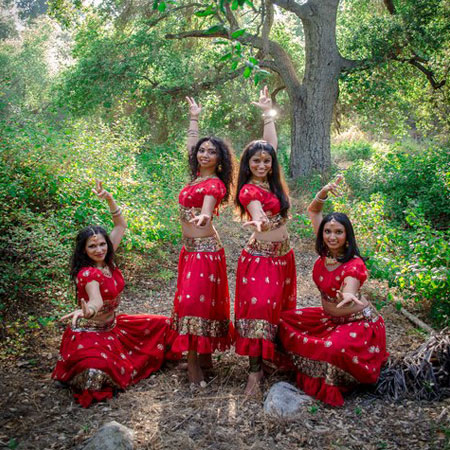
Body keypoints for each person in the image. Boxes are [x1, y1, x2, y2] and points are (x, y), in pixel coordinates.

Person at [52, 181, 178, 407]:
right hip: (90, 334)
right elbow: (96, 301)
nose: (99, 249)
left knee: (163, 324)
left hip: (114, 327)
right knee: (94, 374)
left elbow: (120, 225)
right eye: (92, 247)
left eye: (102, 244)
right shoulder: (89, 273)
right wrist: (88, 310)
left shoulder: (106, 259)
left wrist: (110, 200)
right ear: (84, 250)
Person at [278, 177, 388, 406]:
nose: (332, 237)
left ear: (347, 235)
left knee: (330, 349)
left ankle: (334, 382)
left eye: (338, 232)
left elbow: (351, 283)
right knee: (283, 320)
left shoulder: (354, 264)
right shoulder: (326, 253)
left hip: (358, 324)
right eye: (328, 231)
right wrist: (324, 192)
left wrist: (349, 294)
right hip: (328, 319)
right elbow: (313, 211)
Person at [234, 86, 297, 395]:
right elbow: (256, 211)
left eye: (266, 162)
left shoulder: (273, 184)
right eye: (256, 162)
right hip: (260, 259)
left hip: (284, 256)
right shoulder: (248, 190)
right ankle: (254, 373)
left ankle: (274, 360)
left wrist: (266, 112)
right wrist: (257, 219)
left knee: (278, 311)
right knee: (259, 312)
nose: (261, 165)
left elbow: (271, 144)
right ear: (248, 164)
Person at [170, 97, 235, 386]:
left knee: (195, 305)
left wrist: (204, 218)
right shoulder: (195, 178)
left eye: (211, 152)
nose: (204, 154)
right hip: (190, 251)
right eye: (202, 151)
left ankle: (195, 363)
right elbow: (190, 146)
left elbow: (207, 210)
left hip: (206, 251)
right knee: (192, 302)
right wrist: (194, 118)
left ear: (220, 159)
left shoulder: (214, 184)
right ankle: (203, 359)